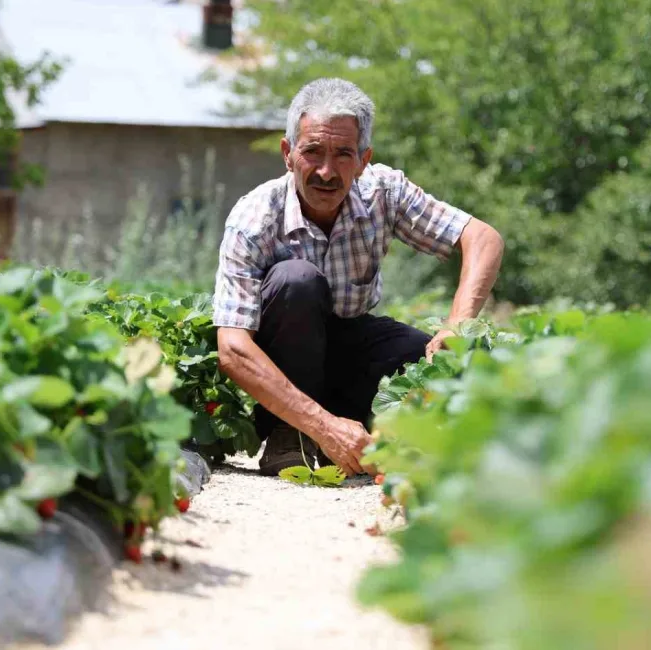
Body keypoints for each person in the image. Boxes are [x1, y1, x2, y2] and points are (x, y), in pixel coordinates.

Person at [213, 78, 504, 477]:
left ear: (364, 159)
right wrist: (320, 424)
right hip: (282, 366)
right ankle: (290, 434)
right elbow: (232, 349)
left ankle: (377, 435)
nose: (326, 171)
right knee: (296, 281)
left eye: (343, 155)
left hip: (351, 346)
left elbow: (482, 238)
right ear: (288, 153)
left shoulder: (384, 191)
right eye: (312, 152)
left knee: (428, 359)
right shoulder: (255, 218)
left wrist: (457, 325)